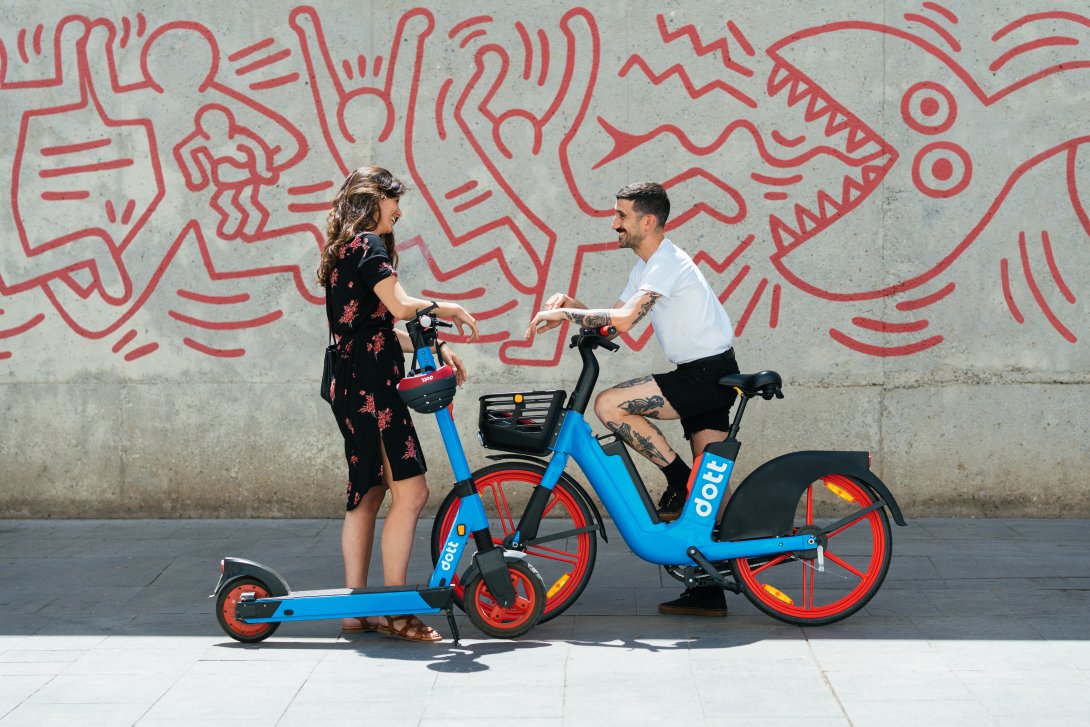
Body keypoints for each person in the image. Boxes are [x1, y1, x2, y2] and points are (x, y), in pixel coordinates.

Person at [525, 181, 738, 617]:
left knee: (609, 405)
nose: (614, 222)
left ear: (648, 221)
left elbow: (621, 320)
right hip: (702, 372)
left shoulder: (666, 263)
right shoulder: (647, 267)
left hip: (706, 375)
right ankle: (711, 588)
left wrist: (563, 314)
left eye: (621, 215)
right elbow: (614, 318)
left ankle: (678, 480)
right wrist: (572, 303)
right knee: (711, 495)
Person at [317, 166, 479, 641]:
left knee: (367, 492)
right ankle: (394, 611)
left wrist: (432, 347)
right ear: (371, 200)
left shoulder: (342, 250)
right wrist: (449, 309)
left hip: (349, 381)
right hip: (372, 386)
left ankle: (357, 609)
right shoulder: (367, 243)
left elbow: (373, 330)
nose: (399, 210)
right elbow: (401, 305)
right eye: (393, 200)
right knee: (411, 493)